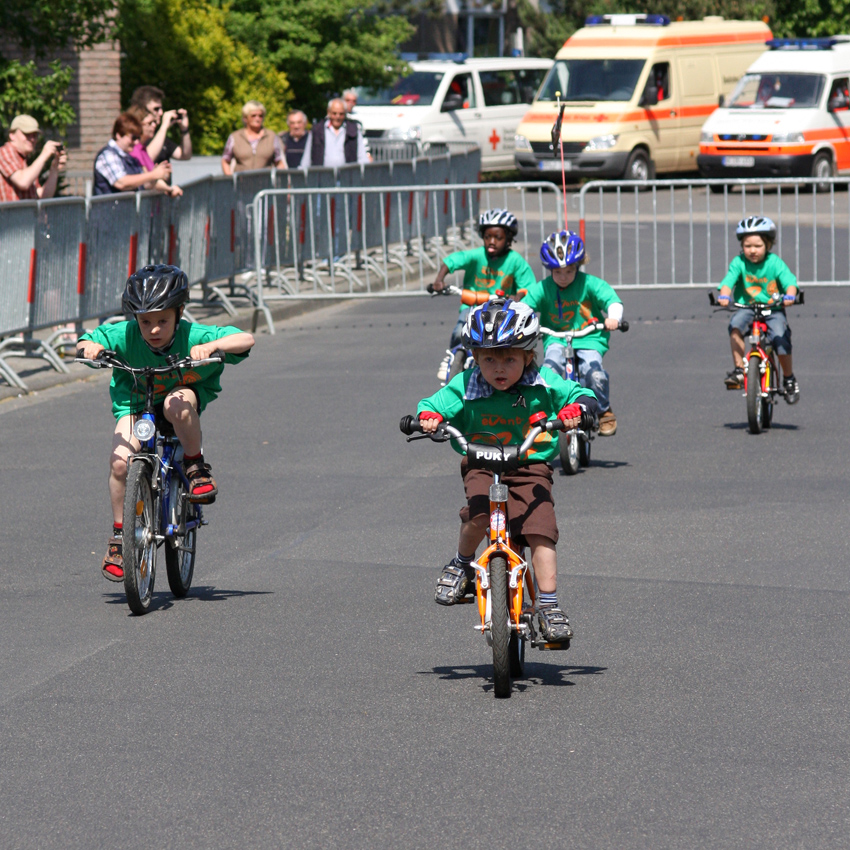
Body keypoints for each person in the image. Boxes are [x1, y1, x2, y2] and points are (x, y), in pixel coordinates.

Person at [415, 298, 598, 642]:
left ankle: (548, 603)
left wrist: (578, 407)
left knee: (540, 530)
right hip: (481, 460)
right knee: (478, 516)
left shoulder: (543, 381)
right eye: (488, 359)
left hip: (529, 463)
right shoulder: (466, 384)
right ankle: (462, 562)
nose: (498, 368)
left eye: (509, 358)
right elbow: (432, 403)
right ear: (475, 358)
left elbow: (579, 392)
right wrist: (429, 418)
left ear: (529, 355)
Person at [76, 264, 255, 582]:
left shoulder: (192, 334)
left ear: (179, 313)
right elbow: (88, 339)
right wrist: (90, 348)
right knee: (119, 464)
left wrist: (213, 347)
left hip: (180, 398)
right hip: (135, 402)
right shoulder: (126, 335)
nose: (154, 329)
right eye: (145, 322)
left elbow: (246, 338)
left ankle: (195, 466)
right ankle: (120, 537)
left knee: (177, 404)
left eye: (163, 320)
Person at [522, 230, 623, 436]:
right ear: (549, 270)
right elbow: (525, 308)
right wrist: (520, 323)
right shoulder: (543, 288)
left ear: (578, 266)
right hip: (556, 337)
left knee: (593, 372)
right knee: (549, 370)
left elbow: (612, 300)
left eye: (569, 271)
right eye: (557, 272)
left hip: (589, 338)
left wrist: (614, 318)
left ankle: (603, 410)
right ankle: (547, 410)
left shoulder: (589, 283)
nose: (563, 277)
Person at [431, 208, 537, 366]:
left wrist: (518, 296)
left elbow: (528, 286)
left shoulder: (515, 260)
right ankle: (453, 357)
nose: (492, 241)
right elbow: (452, 260)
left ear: (508, 239)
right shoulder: (477, 255)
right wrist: (439, 280)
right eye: (487, 237)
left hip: (501, 312)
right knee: (460, 332)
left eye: (498, 237)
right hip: (473, 307)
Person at [717, 216, 799, 401]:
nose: (752, 250)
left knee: (780, 338)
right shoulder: (739, 263)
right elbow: (728, 281)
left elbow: (789, 282)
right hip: (748, 307)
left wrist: (790, 295)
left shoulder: (774, 262)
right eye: (748, 246)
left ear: (768, 245)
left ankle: (789, 378)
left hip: (773, 308)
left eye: (758, 246)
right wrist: (724, 295)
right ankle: (739, 370)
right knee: (735, 326)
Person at [93, 113, 176, 196]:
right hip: (108, 208)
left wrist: (161, 181)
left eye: (138, 138)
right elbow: (121, 182)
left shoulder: (130, 158)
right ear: (118, 135)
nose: (136, 142)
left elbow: (144, 184)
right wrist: (153, 174)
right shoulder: (107, 155)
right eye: (133, 138)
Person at [0, 114, 66, 202]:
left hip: (27, 215)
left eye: (35, 135)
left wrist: (54, 168)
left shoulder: (25, 161)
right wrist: (44, 155)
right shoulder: (4, 153)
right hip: (10, 216)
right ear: (12, 135)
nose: (32, 139)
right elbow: (23, 182)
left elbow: (43, 196)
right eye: (27, 134)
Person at [126, 105, 183, 197]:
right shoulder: (134, 150)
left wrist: (169, 188)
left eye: (154, 122)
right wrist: (156, 174)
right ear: (138, 126)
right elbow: (146, 181)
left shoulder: (142, 149)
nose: (154, 125)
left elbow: (152, 180)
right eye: (150, 123)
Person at [129, 85, 193, 165]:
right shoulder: (133, 138)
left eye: (161, 108)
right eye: (156, 109)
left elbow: (185, 155)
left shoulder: (158, 134)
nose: (161, 113)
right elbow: (146, 161)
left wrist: (184, 129)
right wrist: (164, 126)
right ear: (142, 109)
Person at [299, 98, 369, 168]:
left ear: (345, 113)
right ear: (328, 112)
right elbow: (307, 158)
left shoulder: (353, 129)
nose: (337, 117)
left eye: (341, 114)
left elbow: (362, 157)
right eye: (334, 113)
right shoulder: (317, 130)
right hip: (322, 176)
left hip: (347, 176)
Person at [221, 100, 285, 175]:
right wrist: (230, 178)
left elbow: (279, 162)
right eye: (253, 115)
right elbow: (225, 160)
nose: (257, 119)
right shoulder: (235, 137)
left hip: (265, 181)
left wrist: (281, 179)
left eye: (260, 116)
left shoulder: (271, 136)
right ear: (245, 118)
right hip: (242, 182)